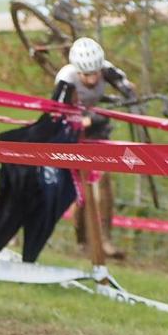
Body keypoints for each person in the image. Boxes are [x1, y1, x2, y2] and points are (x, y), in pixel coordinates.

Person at [52, 34, 134, 257]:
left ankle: (106, 239)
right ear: (78, 71)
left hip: (97, 126)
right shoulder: (66, 79)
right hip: (74, 131)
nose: (92, 79)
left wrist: (127, 94)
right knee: (83, 188)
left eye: (95, 73)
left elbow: (127, 88)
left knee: (105, 182)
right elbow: (57, 114)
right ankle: (82, 241)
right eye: (86, 75)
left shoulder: (105, 69)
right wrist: (81, 121)